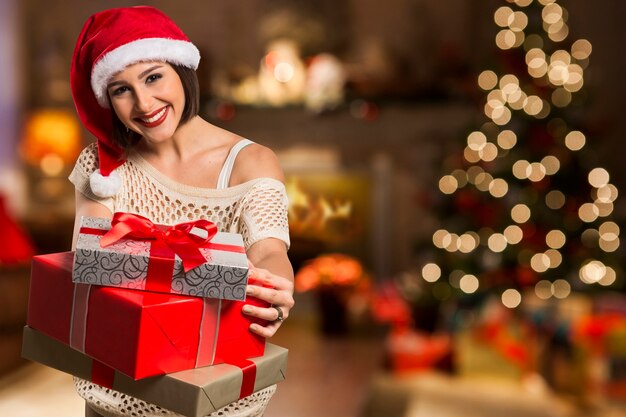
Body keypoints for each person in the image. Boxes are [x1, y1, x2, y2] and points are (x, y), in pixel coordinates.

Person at [67, 6, 294, 417]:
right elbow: (91, 263)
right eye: (121, 89)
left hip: (219, 403)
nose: (144, 102)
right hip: (115, 401)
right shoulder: (103, 168)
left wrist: (273, 290)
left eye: (154, 77)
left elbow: (269, 251)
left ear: (181, 69)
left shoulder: (251, 161)